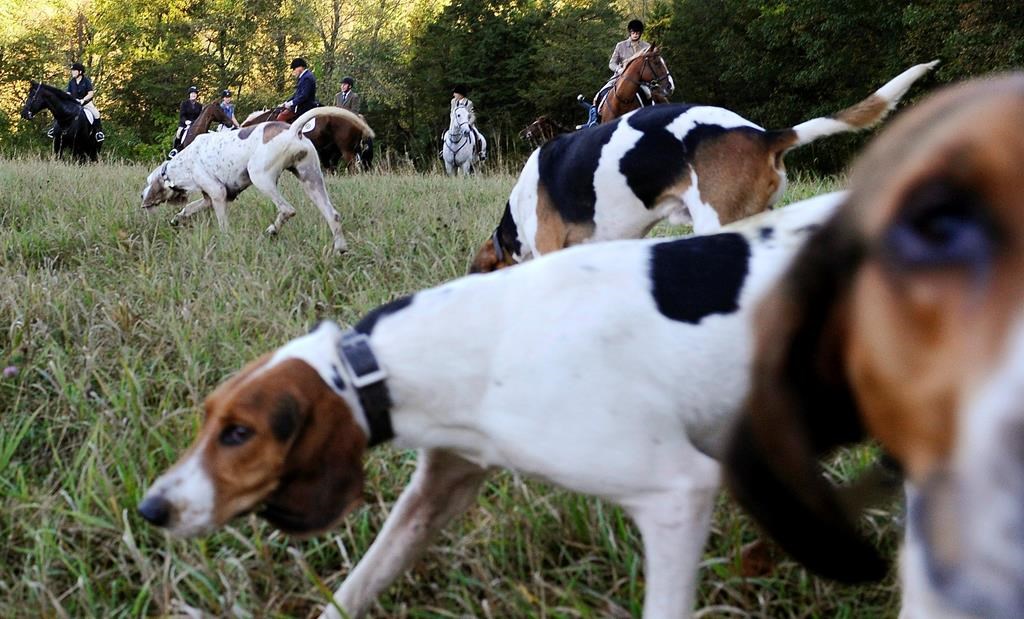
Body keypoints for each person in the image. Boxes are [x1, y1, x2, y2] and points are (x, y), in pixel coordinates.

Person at [51, 62, 104, 142]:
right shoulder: (71, 82)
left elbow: (90, 93)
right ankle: (55, 129)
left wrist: (83, 100)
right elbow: (69, 93)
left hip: (86, 103)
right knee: (61, 111)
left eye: (74, 70)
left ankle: (98, 133)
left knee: (96, 114)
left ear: (80, 72)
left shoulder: (86, 81)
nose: (72, 72)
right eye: (72, 70)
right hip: (74, 103)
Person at [449, 84, 486, 160]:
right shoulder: (453, 101)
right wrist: (454, 121)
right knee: (444, 134)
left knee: (477, 135)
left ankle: (480, 152)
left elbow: (473, 116)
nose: (453, 95)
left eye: (455, 93)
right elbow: (452, 113)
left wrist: (468, 124)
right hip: (455, 125)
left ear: (460, 94)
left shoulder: (469, 103)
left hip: (466, 124)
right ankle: (442, 151)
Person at [281, 57, 317, 122]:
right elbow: (297, 94)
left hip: (304, 108)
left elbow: (304, 96)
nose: (294, 71)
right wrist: (287, 102)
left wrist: (291, 103)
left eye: (294, 69)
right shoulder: (303, 77)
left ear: (300, 67)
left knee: (282, 117)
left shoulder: (307, 78)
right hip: (300, 106)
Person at [174, 86, 202, 151]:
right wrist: (186, 121)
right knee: (179, 133)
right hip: (185, 124)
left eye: (195, 93)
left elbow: (200, 116)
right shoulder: (184, 104)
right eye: (192, 93)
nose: (193, 95)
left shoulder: (199, 105)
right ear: (189, 94)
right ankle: (176, 149)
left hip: (195, 124)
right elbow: (182, 115)